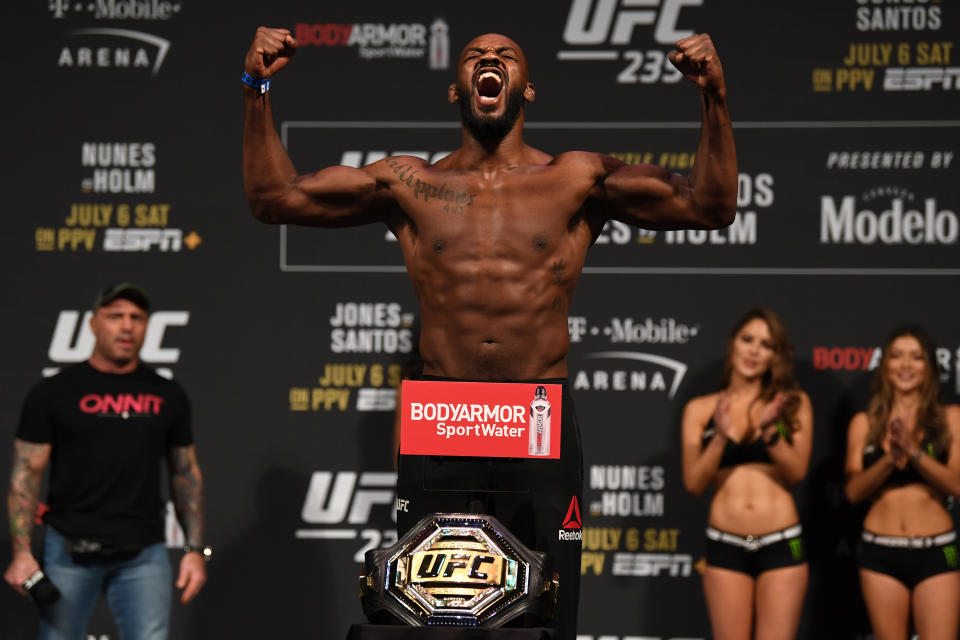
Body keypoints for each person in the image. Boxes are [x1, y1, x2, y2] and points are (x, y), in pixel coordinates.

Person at [242, 27, 737, 637]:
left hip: (537, 417)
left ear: (527, 88)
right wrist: (256, 87)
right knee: (429, 616)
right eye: (476, 56)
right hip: (442, 419)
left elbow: (710, 206)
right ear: (456, 89)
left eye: (505, 56)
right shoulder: (409, 184)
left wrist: (714, 94)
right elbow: (274, 199)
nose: (490, 60)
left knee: (548, 617)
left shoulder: (576, 179)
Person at [3, 283, 209, 640]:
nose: (127, 326)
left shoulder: (167, 393)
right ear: (93, 324)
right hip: (68, 547)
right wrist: (22, 554)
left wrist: (194, 551)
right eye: (115, 316)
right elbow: (25, 474)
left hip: (144, 553)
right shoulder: (54, 391)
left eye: (137, 318)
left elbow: (185, 474)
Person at [681, 308, 813, 640]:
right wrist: (721, 436)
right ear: (733, 344)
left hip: (781, 543)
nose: (754, 351)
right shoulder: (700, 409)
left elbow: (796, 471)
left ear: (776, 355)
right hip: (725, 544)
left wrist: (769, 431)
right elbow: (694, 483)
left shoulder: (792, 403)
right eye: (748, 340)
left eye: (766, 345)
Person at [844, 326, 960, 640]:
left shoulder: (952, 418)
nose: (906, 365)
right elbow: (853, 492)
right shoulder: (864, 423)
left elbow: (957, 485)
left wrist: (914, 452)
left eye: (916, 357)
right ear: (885, 366)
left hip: (937, 552)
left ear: (930, 368)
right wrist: (888, 459)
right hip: (880, 553)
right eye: (896, 356)